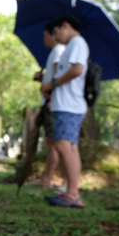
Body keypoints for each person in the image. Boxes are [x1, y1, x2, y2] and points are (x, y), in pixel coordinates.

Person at [40, 15, 89, 208]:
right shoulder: (72, 46)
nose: (55, 37)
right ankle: (70, 190)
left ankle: (72, 192)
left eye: (55, 32)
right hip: (67, 104)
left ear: (65, 26)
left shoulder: (77, 42)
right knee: (70, 147)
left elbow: (77, 69)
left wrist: (53, 83)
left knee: (62, 144)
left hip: (69, 105)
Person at [30, 28, 65, 189]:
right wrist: (42, 79)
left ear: (53, 35)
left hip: (54, 102)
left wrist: (51, 95)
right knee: (53, 142)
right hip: (51, 100)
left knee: (55, 142)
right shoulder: (55, 52)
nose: (43, 39)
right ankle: (48, 178)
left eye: (44, 35)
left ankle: (49, 178)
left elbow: (58, 76)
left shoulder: (59, 50)